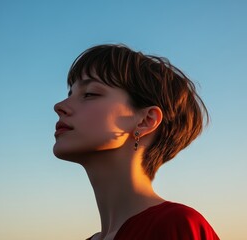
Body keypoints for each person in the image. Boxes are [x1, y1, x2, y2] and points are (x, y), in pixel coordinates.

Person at [53, 44, 219, 240]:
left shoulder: (176, 225)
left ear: (146, 120)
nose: (59, 106)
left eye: (90, 94)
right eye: (70, 94)